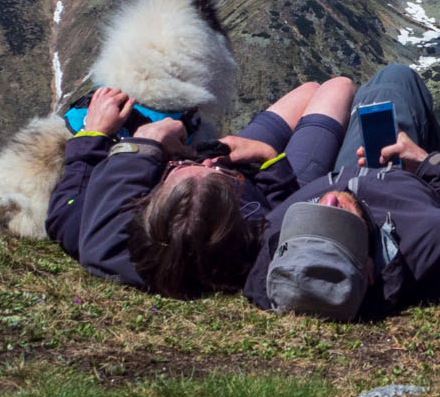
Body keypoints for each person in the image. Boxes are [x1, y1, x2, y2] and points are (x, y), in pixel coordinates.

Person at [45, 77, 356, 297]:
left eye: (174, 170)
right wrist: (269, 161)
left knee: (309, 90)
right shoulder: (259, 239)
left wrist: (95, 132)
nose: (204, 162)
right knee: (336, 86)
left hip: (241, 170)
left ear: (152, 210)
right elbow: (285, 208)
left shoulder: (103, 241)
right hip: (272, 177)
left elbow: (65, 209)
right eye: (216, 174)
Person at [243, 119, 440, 321]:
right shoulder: (435, 238)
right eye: (336, 222)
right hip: (413, 174)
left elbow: (279, 208)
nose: (330, 201)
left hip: (341, 171)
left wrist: (271, 162)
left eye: (309, 215)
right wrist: (429, 162)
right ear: (369, 271)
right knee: (395, 79)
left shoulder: (269, 248)